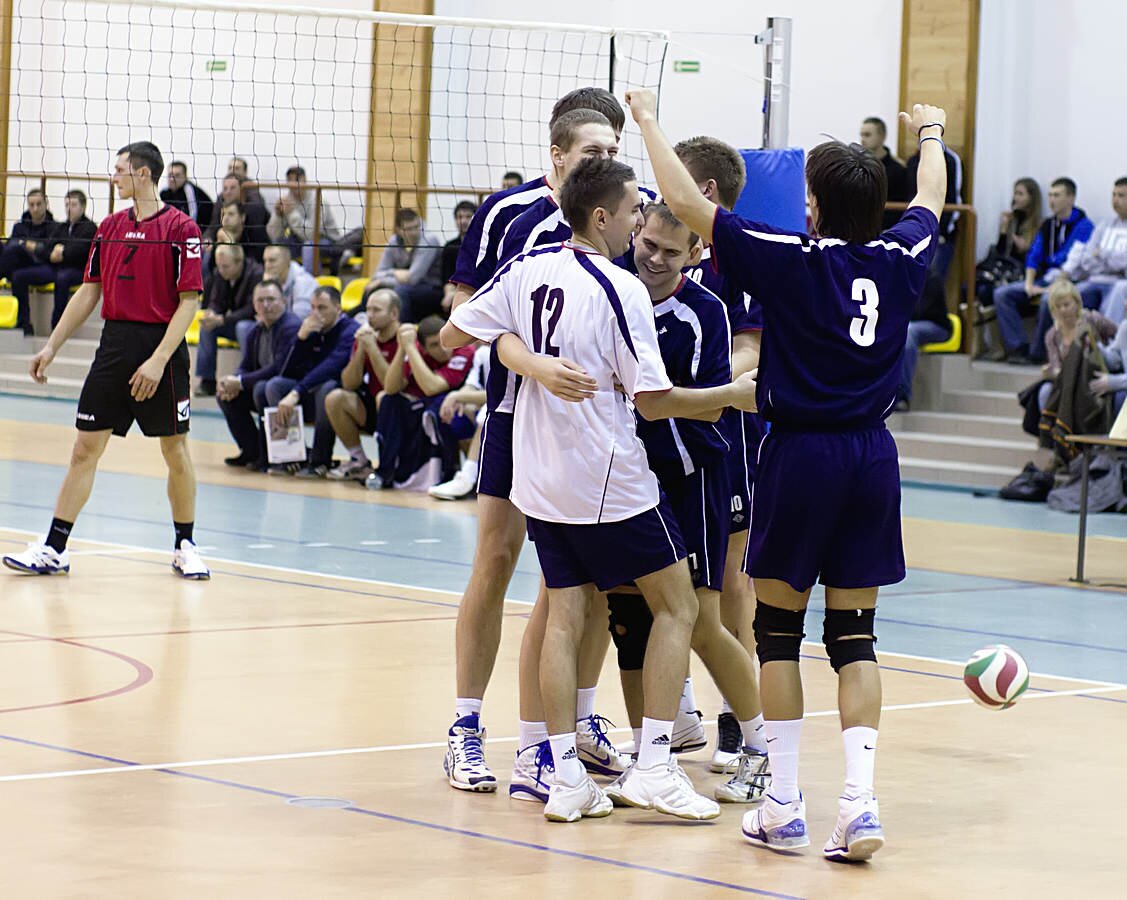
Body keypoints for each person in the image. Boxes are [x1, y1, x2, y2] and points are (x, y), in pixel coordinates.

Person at [629, 89, 948, 859]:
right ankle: (859, 804)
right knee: (854, 637)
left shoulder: (790, 258)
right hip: (871, 459)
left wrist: (646, 119)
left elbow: (684, 202)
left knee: (777, 634)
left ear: (814, 206)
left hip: (800, 455)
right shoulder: (901, 256)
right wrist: (932, 133)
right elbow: (932, 196)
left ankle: (782, 805)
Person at [444, 156, 757, 823]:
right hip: (610, 476)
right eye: (634, 212)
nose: (639, 223)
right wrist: (731, 395)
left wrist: (529, 360)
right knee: (678, 609)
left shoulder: (527, 265)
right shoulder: (621, 290)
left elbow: (454, 333)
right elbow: (652, 402)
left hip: (539, 475)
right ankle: (656, 768)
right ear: (602, 216)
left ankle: (563, 778)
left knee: (565, 615)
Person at [439, 86, 632, 798]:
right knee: (495, 559)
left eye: (613, 150)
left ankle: (564, 731)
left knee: (582, 584)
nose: (604, 160)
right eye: (592, 151)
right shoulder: (509, 214)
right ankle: (465, 726)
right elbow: (466, 315)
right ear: (556, 156)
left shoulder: (627, 215)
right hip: (516, 412)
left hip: (594, 427)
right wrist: (533, 364)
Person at [611, 202, 771, 805]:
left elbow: (710, 407)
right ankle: (648, 758)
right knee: (629, 620)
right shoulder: (611, 288)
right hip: (628, 479)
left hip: (692, 476)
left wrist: (652, 399)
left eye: (670, 252)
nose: (653, 258)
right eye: (648, 243)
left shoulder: (704, 313)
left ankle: (762, 747)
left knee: (702, 620)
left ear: (696, 255)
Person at [3, 142, 209, 579]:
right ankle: (54, 548)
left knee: (174, 449)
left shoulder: (182, 228)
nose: (113, 177)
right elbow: (89, 291)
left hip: (161, 346)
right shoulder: (110, 226)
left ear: (143, 173)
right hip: (114, 345)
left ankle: (185, 545)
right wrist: (51, 347)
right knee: (84, 448)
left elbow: (189, 302)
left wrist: (157, 361)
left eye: (119, 170)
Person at [994, 177, 1093, 364]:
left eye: (1057, 195)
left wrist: (1051, 288)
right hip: (1045, 278)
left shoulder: (1084, 226)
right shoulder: (1048, 225)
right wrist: (1029, 284)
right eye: (1050, 195)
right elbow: (1034, 255)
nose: (1052, 200)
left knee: (1050, 299)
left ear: (1070, 198)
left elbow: (1072, 262)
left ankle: (1038, 353)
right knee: (1002, 294)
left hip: (1069, 281)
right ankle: (1018, 348)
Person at [368, 314, 474, 488]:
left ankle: (464, 475)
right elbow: (390, 388)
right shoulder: (416, 350)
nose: (443, 348)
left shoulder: (463, 350)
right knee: (386, 400)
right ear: (423, 348)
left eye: (443, 341)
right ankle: (388, 469)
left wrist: (410, 348)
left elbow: (432, 387)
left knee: (452, 414)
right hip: (426, 408)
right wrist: (403, 348)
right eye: (434, 345)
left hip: (460, 407)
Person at [265, 284, 359, 477]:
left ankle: (320, 461)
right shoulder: (312, 328)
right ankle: (291, 457)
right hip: (309, 390)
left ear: (338, 308)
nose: (315, 313)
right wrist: (301, 338)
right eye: (313, 307)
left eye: (322, 308)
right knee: (274, 385)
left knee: (327, 388)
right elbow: (286, 370)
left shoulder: (350, 330)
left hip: (338, 395)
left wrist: (296, 392)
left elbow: (332, 367)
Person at [216, 279, 301, 468]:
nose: (266, 305)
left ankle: (267, 455)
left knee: (262, 388)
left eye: (271, 299)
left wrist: (240, 382)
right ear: (254, 305)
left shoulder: (291, 326)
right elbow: (246, 365)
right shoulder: (255, 330)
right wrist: (232, 381)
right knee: (225, 396)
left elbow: (278, 368)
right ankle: (251, 451)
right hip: (265, 385)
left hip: (293, 388)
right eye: (260, 301)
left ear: (283, 301)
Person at [323, 288, 403, 483]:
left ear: (394, 314)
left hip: (400, 408)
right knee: (335, 398)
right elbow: (349, 383)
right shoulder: (366, 337)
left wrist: (372, 348)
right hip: (374, 405)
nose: (370, 315)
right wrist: (361, 349)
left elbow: (391, 385)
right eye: (368, 309)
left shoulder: (404, 338)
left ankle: (389, 465)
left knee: (384, 397)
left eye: (376, 310)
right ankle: (359, 460)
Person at [7, 189, 96, 332]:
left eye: (73, 205)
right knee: (18, 276)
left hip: (78, 270)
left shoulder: (89, 228)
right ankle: (23, 323)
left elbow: (80, 250)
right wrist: (52, 254)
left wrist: (63, 252)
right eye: (66, 205)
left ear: (83, 207)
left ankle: (57, 327)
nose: (69, 209)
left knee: (62, 278)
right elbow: (47, 248)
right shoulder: (62, 227)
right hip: (56, 268)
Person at [194, 243, 264, 396]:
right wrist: (212, 314)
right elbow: (216, 302)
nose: (221, 270)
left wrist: (222, 319)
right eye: (219, 266)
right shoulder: (220, 273)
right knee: (207, 326)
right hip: (233, 322)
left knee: (242, 327)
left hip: (256, 326)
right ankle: (207, 381)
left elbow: (252, 309)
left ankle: (248, 377)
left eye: (225, 266)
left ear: (239, 262)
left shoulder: (257, 274)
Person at [368, 208, 444, 323]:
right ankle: (366, 323)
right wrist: (394, 272)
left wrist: (382, 281)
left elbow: (412, 279)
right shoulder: (394, 241)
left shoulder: (428, 240)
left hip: (432, 288)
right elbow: (377, 274)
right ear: (398, 230)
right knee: (372, 289)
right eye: (408, 229)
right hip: (406, 286)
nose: (414, 232)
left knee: (401, 291)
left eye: (416, 227)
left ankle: (400, 328)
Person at [0, 188, 57, 333]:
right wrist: (28, 246)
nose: (35, 208)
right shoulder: (19, 226)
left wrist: (26, 245)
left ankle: (24, 323)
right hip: (21, 265)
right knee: (11, 253)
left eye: (39, 204)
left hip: (45, 267)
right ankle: (25, 324)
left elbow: (48, 252)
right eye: (32, 205)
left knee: (17, 271)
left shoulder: (55, 227)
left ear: (46, 204)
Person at [266, 165, 342, 272]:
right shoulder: (286, 201)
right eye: (290, 180)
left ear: (305, 180)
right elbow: (273, 235)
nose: (294, 184)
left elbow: (311, 235)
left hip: (327, 241)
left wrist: (291, 213)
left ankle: (310, 282)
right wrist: (278, 216)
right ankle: (279, 280)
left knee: (309, 247)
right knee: (277, 246)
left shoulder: (318, 200)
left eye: (297, 179)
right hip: (299, 241)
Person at [859, 116, 909, 228]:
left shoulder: (898, 170)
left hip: (887, 228)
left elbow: (901, 205)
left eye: (867, 135)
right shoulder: (856, 166)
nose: (862, 139)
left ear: (881, 136)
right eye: (861, 135)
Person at [262, 242, 318, 318]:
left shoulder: (303, 282)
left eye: (272, 260)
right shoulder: (272, 280)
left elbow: (299, 318)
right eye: (265, 261)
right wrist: (268, 286)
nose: (267, 266)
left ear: (287, 261)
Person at [440, 201, 478, 312]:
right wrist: (450, 293)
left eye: (468, 217)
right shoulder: (450, 247)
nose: (463, 221)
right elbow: (446, 277)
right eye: (459, 217)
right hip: (454, 289)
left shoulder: (484, 245)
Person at [160, 161, 214, 230]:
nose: (172, 179)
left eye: (177, 175)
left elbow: (193, 215)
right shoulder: (164, 194)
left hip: (200, 229)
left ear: (185, 177)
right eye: (170, 175)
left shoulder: (189, 191)